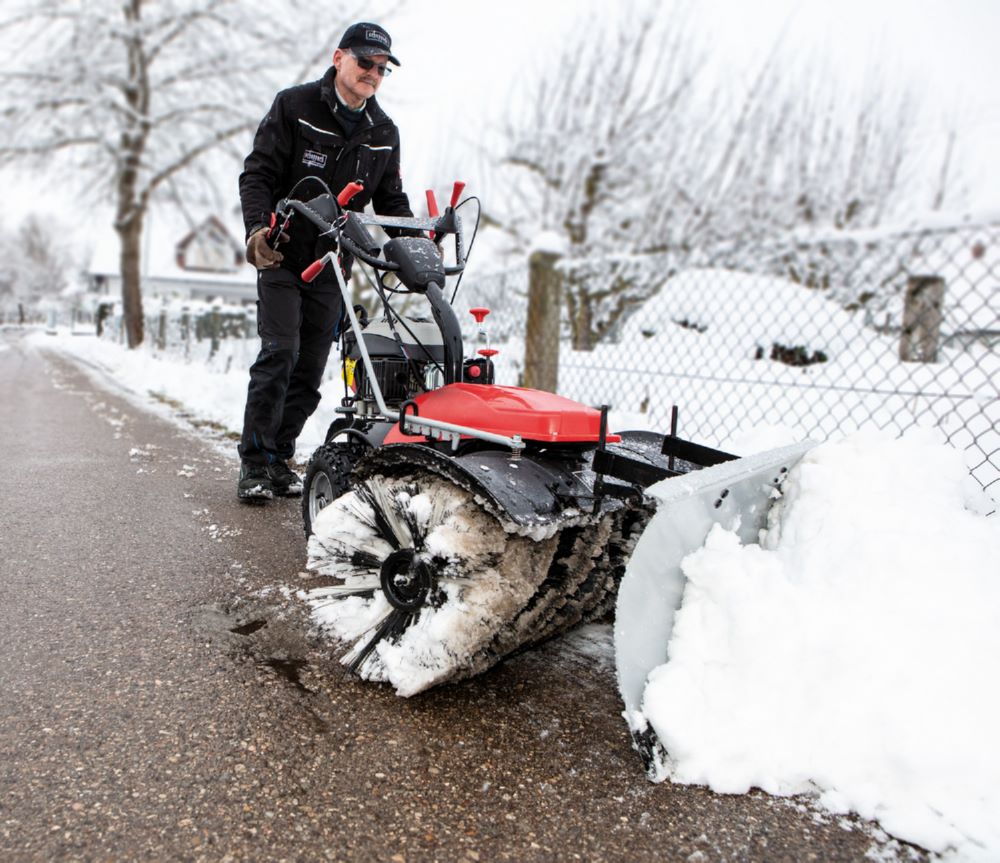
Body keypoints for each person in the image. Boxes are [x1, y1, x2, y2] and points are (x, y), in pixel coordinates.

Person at [236, 22, 413, 502]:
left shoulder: (383, 133)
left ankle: (278, 457)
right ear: (339, 58)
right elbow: (258, 174)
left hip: (334, 262)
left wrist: (415, 247)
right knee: (280, 353)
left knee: (311, 368)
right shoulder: (295, 107)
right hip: (282, 253)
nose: (373, 74)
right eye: (365, 62)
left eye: (382, 68)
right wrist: (256, 230)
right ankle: (254, 462)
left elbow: (391, 202)